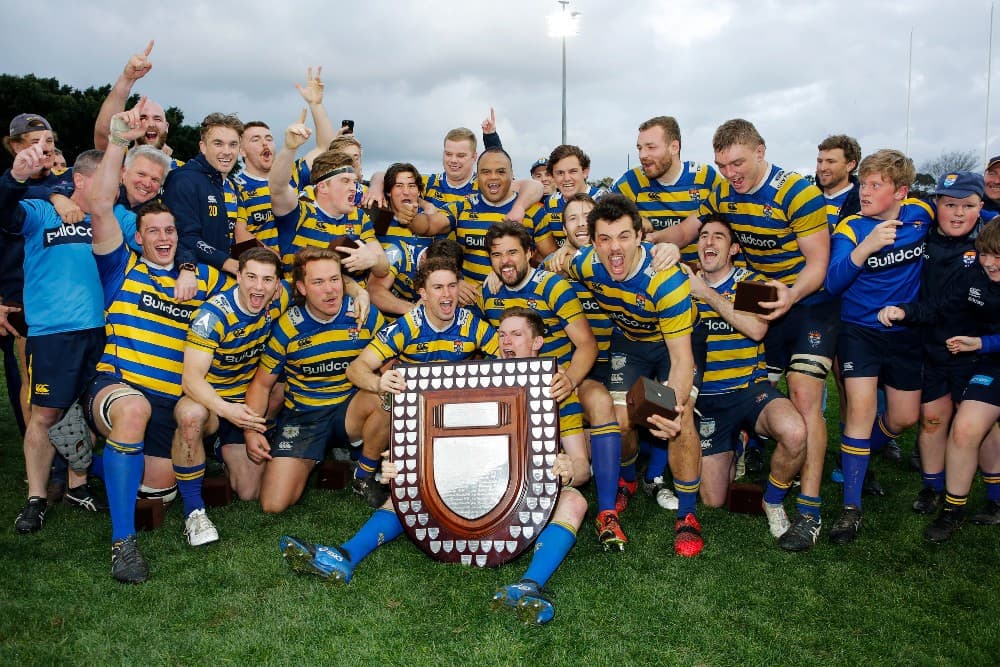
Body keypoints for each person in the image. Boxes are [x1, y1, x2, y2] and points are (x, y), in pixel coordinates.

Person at [279, 306, 589, 626]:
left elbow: (582, 468)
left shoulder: (557, 390)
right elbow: (441, 442)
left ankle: (529, 585)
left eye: (517, 334)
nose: (506, 341)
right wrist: (401, 464)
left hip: (525, 493)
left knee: (575, 500)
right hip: (468, 483)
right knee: (408, 484)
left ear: (537, 343)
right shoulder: (476, 381)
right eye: (501, 334)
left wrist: (569, 468)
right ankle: (344, 556)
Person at [82, 107, 229, 582]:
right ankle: (123, 544)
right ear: (138, 237)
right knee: (132, 413)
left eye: (170, 231)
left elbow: (263, 288)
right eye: (153, 232)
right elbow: (102, 205)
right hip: (120, 385)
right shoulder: (121, 266)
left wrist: (351, 290)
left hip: (172, 401)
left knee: (158, 485)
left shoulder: (203, 278)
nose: (163, 238)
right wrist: (119, 143)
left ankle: (91, 460)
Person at [697, 119, 833, 552]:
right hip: (757, 293)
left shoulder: (796, 191)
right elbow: (689, 228)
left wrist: (790, 294)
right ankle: (741, 448)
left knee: (805, 399)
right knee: (758, 386)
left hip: (808, 302)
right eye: (721, 165)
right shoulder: (723, 190)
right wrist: (652, 239)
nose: (730, 173)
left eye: (737, 162)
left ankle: (807, 510)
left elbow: (818, 263)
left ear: (760, 151)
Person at [566, 194, 703, 557]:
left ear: (640, 236)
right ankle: (628, 478)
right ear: (593, 243)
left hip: (672, 348)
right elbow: (555, 262)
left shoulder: (665, 280)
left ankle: (687, 516)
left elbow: (680, 359)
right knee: (621, 421)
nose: (615, 249)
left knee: (680, 418)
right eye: (605, 239)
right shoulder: (585, 264)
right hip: (630, 344)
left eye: (624, 236)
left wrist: (672, 409)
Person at [481, 221, 627, 549]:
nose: (505, 261)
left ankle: (606, 510)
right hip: (519, 387)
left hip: (566, 375)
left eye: (512, 253)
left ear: (530, 253)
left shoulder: (553, 286)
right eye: (497, 255)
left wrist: (569, 379)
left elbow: (587, 344)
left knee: (601, 401)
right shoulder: (488, 293)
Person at [824, 149, 931, 544]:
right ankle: (851, 509)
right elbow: (833, 282)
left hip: (904, 332)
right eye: (863, 183)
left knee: (903, 418)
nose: (864, 192)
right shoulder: (852, 227)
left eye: (875, 185)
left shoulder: (921, 214)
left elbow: (966, 217)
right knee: (861, 411)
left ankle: (854, 454)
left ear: (900, 192)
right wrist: (865, 247)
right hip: (859, 332)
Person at [0, 140, 106, 534]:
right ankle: (36, 497)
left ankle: (78, 486)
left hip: (101, 330)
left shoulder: (110, 216)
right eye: (104, 180)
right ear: (79, 180)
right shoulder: (42, 209)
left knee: (90, 409)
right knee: (45, 414)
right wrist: (16, 178)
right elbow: (5, 212)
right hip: (52, 333)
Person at [684, 218, 806, 540]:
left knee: (794, 432)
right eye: (704, 236)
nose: (709, 242)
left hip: (749, 391)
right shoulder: (681, 283)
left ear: (734, 249)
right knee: (712, 501)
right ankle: (737, 444)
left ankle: (774, 501)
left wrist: (706, 293)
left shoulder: (751, 281)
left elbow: (756, 329)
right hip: (708, 401)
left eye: (719, 237)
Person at [880, 217, 1000, 541]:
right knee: (963, 426)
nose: (990, 264)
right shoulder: (976, 273)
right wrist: (905, 311)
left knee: (979, 428)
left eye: (998, 259)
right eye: (987, 254)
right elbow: (941, 305)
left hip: (985, 352)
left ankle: (994, 496)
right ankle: (951, 508)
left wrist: (983, 343)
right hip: (986, 363)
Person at [343, 257, 500, 502]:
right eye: (437, 287)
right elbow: (355, 368)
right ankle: (363, 476)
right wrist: (379, 382)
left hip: (444, 416)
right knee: (389, 397)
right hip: (408, 411)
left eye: (451, 285)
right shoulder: (407, 327)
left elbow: (511, 361)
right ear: (423, 294)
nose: (446, 294)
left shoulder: (473, 325)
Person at [242, 247, 385, 512]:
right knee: (274, 504)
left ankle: (363, 473)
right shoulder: (287, 327)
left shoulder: (365, 314)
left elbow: (389, 365)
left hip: (348, 410)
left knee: (384, 394)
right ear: (302, 288)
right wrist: (251, 431)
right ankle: (315, 455)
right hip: (305, 417)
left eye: (334, 280)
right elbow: (262, 385)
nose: (330, 290)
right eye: (318, 282)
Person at [178, 247, 284, 501]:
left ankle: (220, 448)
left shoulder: (280, 298)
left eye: (267, 279)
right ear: (238, 276)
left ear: (277, 284)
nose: (259, 287)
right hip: (209, 400)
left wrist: (359, 293)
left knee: (249, 493)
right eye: (251, 277)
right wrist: (227, 410)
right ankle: (194, 510)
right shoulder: (212, 316)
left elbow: (316, 280)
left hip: (245, 399)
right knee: (191, 415)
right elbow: (191, 380)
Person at [409, 148, 544, 294]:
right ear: (477, 176)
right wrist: (410, 216)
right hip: (470, 307)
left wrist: (508, 269)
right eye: (486, 172)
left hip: (517, 306)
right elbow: (428, 225)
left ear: (512, 175)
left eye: (500, 171)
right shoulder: (461, 208)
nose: (493, 177)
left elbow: (548, 260)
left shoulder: (531, 210)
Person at [269, 117, 389, 281]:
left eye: (354, 182)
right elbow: (277, 188)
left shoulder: (359, 217)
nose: (353, 187)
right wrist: (289, 148)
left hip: (346, 301)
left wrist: (373, 260)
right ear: (323, 187)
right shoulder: (301, 213)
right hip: (300, 299)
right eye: (345, 181)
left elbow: (383, 269)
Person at [613, 116, 722, 261]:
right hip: (653, 273)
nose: (642, 155)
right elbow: (601, 216)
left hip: (702, 271)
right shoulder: (632, 181)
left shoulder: (705, 177)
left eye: (651, 147)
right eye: (640, 148)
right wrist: (631, 219)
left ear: (674, 147)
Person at [162, 112, 246, 284]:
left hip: (219, 280)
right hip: (189, 281)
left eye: (233, 145)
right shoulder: (183, 179)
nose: (227, 152)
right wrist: (226, 262)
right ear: (203, 146)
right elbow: (184, 236)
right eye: (218, 144)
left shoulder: (230, 185)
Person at [531, 144, 606, 250]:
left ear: (585, 172)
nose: (566, 178)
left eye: (573, 171)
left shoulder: (603, 200)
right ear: (552, 176)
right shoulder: (549, 203)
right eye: (560, 173)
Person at [815, 135, 862, 223]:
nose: (822, 168)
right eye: (820, 161)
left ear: (850, 165)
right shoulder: (806, 198)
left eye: (831, 162)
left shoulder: (864, 204)